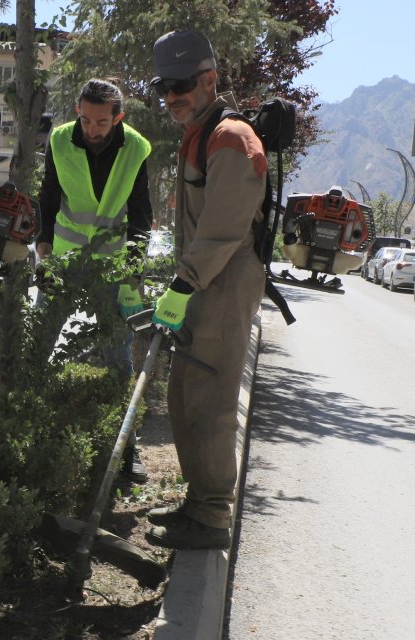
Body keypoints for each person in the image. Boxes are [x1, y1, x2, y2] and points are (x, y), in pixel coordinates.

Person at [144, 29, 267, 550]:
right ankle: (198, 503)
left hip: (222, 284)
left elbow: (222, 229)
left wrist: (182, 284)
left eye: (180, 85)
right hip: (202, 284)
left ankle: (213, 516)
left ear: (209, 79)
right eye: (163, 88)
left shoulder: (231, 138)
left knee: (210, 400)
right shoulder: (201, 131)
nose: (171, 97)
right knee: (185, 395)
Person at [37, 78, 153, 482]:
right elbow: (48, 198)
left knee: (117, 357)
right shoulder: (61, 140)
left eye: (101, 122)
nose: (92, 130)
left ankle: (125, 451)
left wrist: (131, 278)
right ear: (77, 111)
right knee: (37, 341)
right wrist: (44, 252)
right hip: (65, 260)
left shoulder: (136, 148)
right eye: (85, 120)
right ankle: (20, 430)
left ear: (117, 117)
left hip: (112, 265)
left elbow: (140, 217)